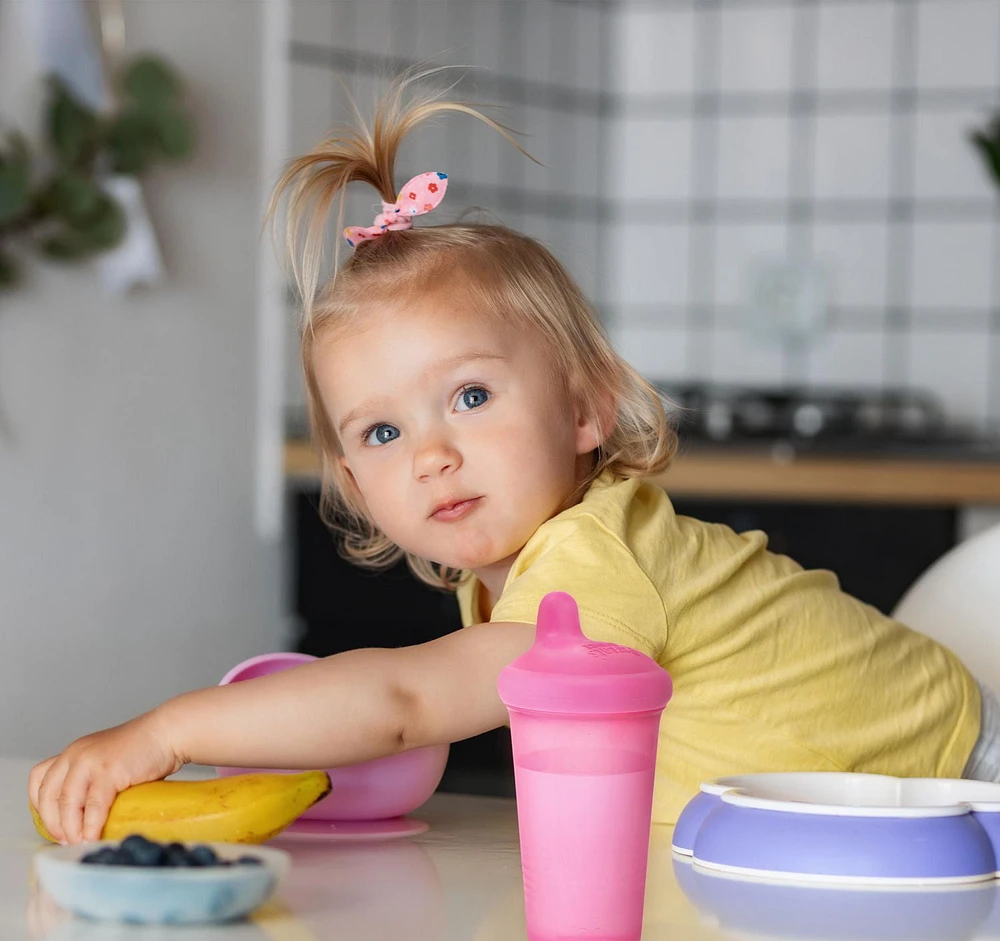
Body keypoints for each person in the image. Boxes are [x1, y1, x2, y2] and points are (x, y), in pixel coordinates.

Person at [30, 74, 995, 845]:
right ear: (356, 484)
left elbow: (408, 702)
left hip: (964, 786)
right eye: (381, 433)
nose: (434, 455)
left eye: (471, 397)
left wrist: (163, 731)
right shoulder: (508, 582)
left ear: (584, 408)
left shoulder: (590, 560)